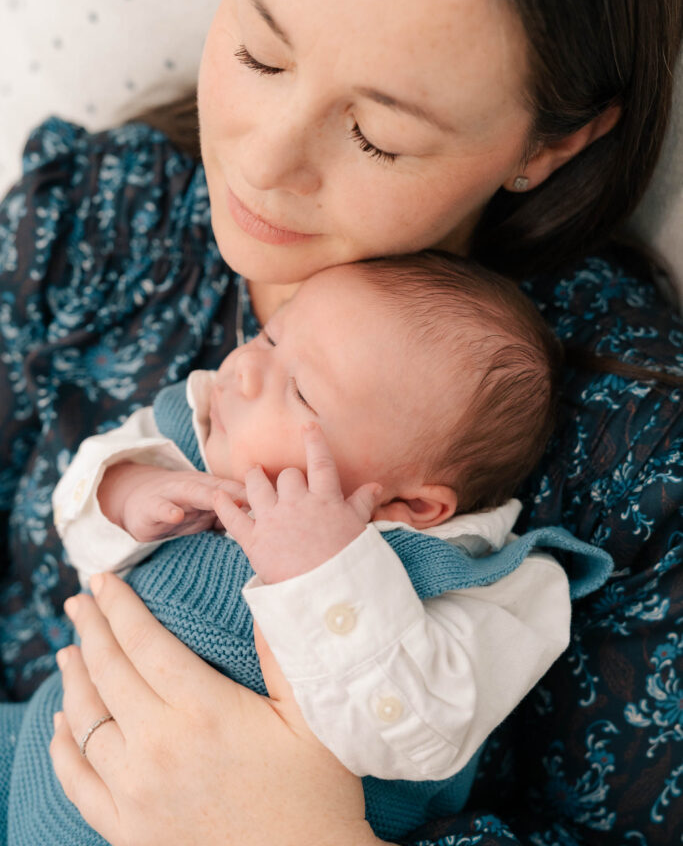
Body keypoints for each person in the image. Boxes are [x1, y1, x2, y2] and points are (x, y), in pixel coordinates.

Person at [0, 0, 681, 844]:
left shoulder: (632, 453)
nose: (263, 162)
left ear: (551, 143)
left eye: (378, 135)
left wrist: (299, 828)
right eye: (259, 49)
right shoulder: (102, 221)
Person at [3, 253, 611, 844]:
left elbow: (423, 737)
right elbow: (78, 521)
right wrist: (126, 492)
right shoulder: (196, 437)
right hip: (36, 747)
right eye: (269, 336)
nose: (244, 367)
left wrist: (327, 574)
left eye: (301, 392)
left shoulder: (481, 587)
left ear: (410, 505)